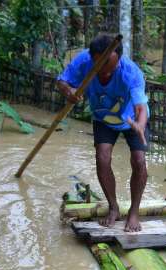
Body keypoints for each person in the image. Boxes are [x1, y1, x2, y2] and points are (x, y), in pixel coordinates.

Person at [57, 34, 149, 231]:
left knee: (139, 161)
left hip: (131, 119)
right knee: (102, 158)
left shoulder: (130, 72)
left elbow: (141, 106)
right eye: (102, 68)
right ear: (92, 58)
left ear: (119, 61)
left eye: (111, 68)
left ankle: (133, 212)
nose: (106, 73)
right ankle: (113, 207)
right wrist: (69, 93)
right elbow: (62, 82)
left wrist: (140, 125)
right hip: (103, 118)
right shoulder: (83, 61)